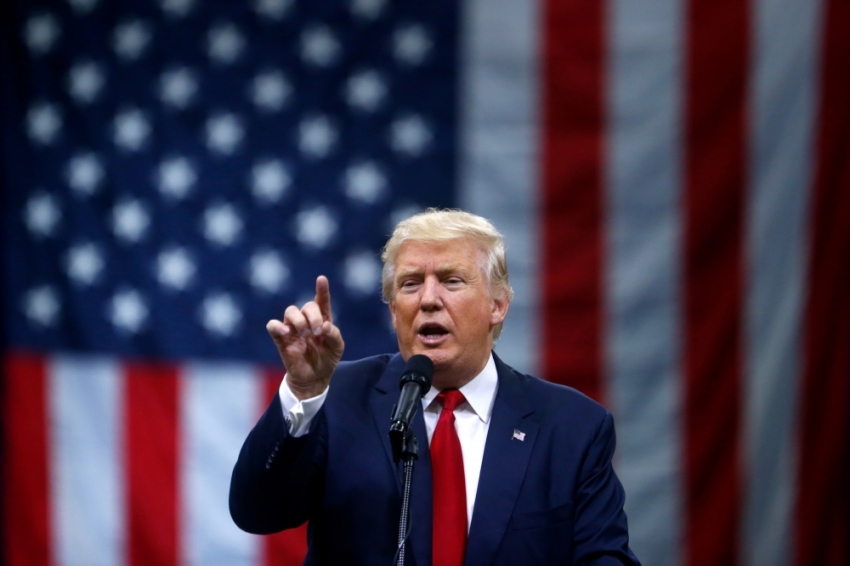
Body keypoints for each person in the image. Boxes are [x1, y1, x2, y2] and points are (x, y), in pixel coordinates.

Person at [230, 209, 641, 565]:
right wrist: (304, 391)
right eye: (410, 284)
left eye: (451, 280)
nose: (428, 299)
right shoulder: (337, 397)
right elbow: (256, 512)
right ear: (394, 311)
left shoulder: (572, 426)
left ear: (497, 306)